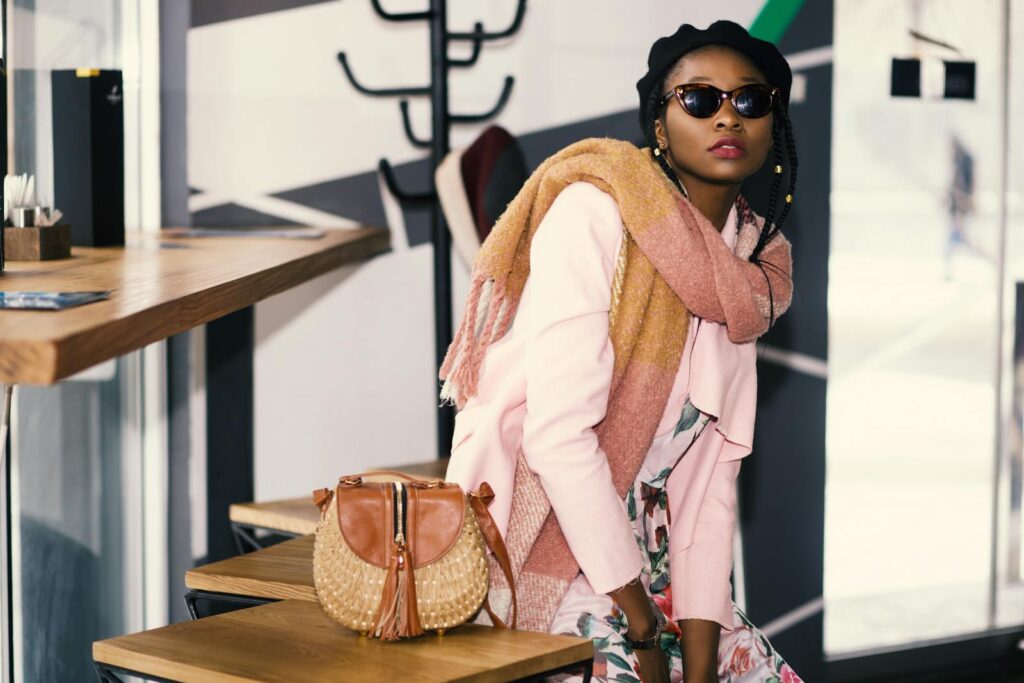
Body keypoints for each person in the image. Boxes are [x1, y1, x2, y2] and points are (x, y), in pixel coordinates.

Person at [440, 19, 802, 683]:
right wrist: (640, 625)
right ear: (660, 126)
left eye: (751, 101)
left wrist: (694, 666)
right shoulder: (593, 215)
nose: (728, 115)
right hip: (541, 544)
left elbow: (709, 493)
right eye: (700, 99)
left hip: (648, 565)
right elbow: (556, 440)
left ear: (771, 128)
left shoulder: (745, 273)